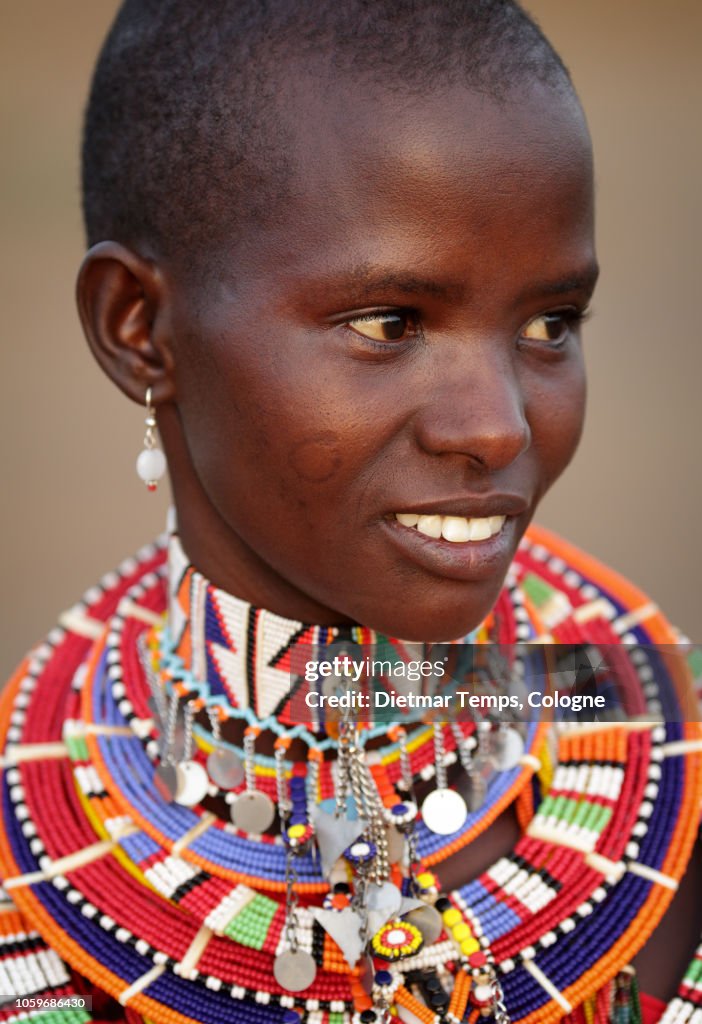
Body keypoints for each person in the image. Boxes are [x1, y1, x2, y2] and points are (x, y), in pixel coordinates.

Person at [1, 3, 700, 1023]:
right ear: (139, 328)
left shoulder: (661, 735)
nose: (498, 427)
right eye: (389, 324)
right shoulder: (28, 863)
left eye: (551, 322)